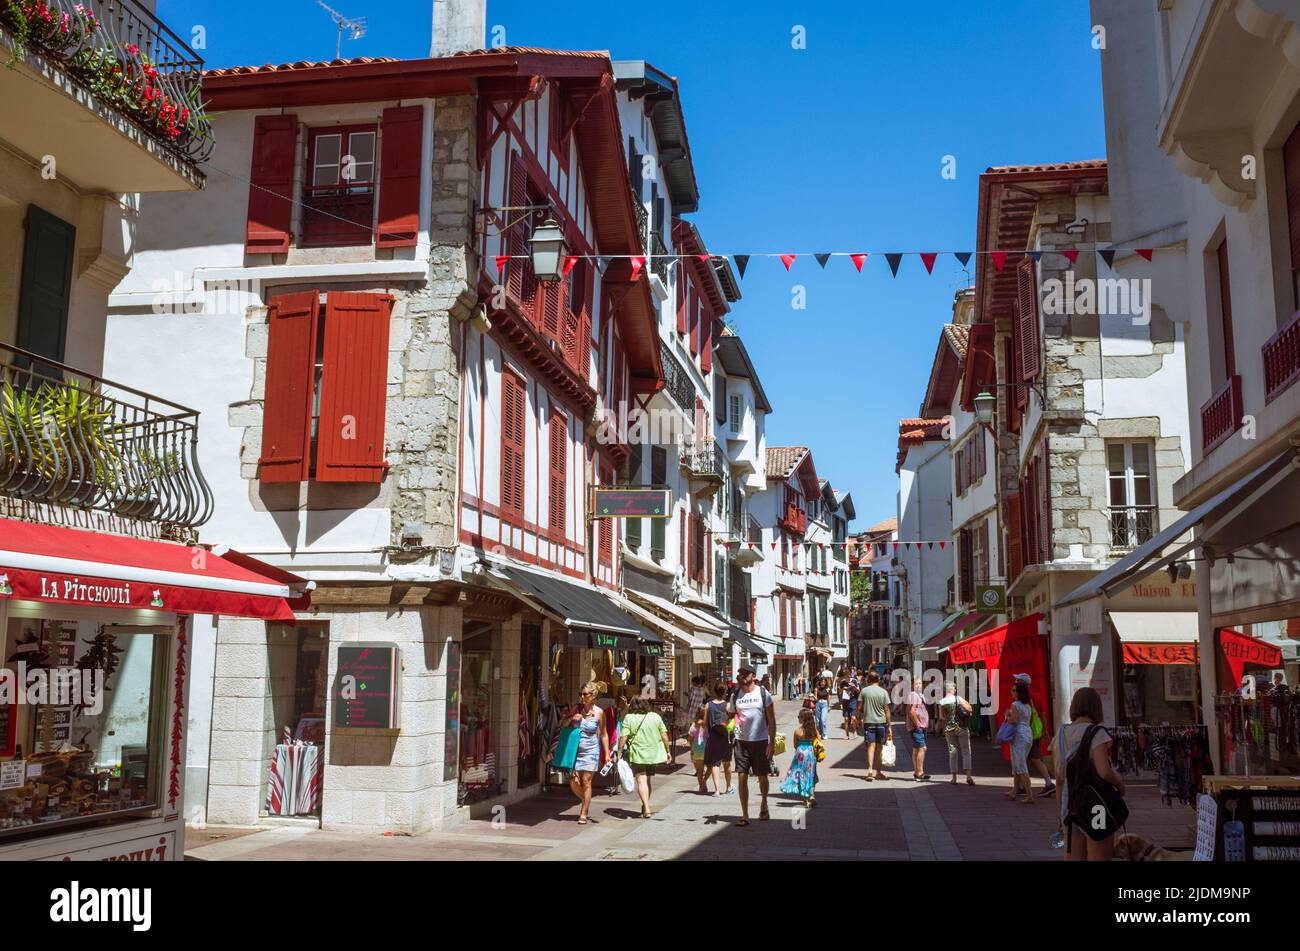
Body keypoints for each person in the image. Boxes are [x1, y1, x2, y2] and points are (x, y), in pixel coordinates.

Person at [1049, 686, 1126, 861]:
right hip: (1095, 806)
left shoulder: (1060, 734)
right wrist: (1120, 784)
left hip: (1070, 806)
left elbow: (1060, 779)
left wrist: (1060, 816)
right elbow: (1104, 772)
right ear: (1096, 708)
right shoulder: (1096, 733)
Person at [729, 667, 777, 826]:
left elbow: (771, 719)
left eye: (745, 674)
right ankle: (745, 814)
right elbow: (733, 717)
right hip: (741, 742)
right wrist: (734, 733)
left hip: (760, 741)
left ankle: (764, 802)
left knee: (762, 775)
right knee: (741, 776)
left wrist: (772, 742)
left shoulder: (763, 694)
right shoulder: (735, 695)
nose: (741, 677)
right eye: (740, 675)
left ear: (753, 676)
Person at [620, 697, 672, 819]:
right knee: (647, 781)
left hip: (638, 753)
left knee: (641, 781)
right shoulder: (655, 716)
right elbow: (664, 735)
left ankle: (646, 808)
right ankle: (645, 806)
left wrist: (619, 752)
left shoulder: (629, 718)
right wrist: (668, 751)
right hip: (652, 755)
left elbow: (623, 737)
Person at [568, 681, 610, 825]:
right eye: (580, 694)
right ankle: (585, 799)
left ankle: (584, 812)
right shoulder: (576, 709)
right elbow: (562, 725)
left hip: (591, 751)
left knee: (586, 781)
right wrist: (571, 719)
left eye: (585, 694)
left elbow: (604, 734)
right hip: (575, 751)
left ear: (593, 695)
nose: (582, 697)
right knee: (573, 782)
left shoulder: (599, 713)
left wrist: (607, 753)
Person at [1013, 673, 1055, 797]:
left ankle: (1027, 788)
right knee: (1032, 758)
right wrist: (1044, 729)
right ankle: (1021, 787)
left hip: (1026, 732)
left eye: (1017, 680)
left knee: (1026, 759)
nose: (1015, 682)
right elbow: (1042, 713)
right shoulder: (1036, 694)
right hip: (1034, 732)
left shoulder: (1025, 696)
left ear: (1022, 683)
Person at [781, 708, 820, 808]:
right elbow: (819, 742)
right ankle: (812, 796)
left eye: (799, 717)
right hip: (811, 754)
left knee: (802, 775)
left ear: (804, 719)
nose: (798, 718)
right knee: (811, 775)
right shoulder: (814, 730)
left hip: (800, 755)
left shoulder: (797, 731)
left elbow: (795, 745)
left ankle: (805, 799)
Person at [1004, 680, 1035, 804]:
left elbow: (1014, 720)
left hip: (1019, 735)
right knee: (1017, 765)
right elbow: (1030, 719)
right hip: (1027, 733)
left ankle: (1029, 795)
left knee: (1021, 766)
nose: (1012, 692)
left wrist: (1007, 715)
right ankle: (1014, 791)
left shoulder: (1015, 705)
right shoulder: (1028, 705)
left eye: (1014, 690)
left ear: (1019, 692)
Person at [938, 682, 975, 785]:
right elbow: (970, 709)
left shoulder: (941, 702)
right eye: (955, 688)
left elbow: (941, 717)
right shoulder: (958, 698)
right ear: (953, 689)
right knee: (966, 751)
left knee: (952, 752)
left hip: (949, 729)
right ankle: (968, 776)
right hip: (961, 727)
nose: (955, 690)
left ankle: (954, 778)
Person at [702, 681, 734, 796]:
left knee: (715, 764)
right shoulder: (727, 705)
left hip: (713, 737)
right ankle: (728, 787)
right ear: (725, 692)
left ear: (714, 692)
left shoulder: (708, 705)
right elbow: (731, 720)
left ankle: (717, 790)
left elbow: (705, 722)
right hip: (725, 738)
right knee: (727, 763)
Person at [859, 670, 890, 781]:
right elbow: (887, 709)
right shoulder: (883, 692)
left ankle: (870, 770)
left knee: (870, 747)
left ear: (869, 680)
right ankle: (879, 772)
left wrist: (858, 717)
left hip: (869, 722)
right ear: (878, 679)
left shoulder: (864, 691)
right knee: (879, 748)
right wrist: (889, 726)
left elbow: (860, 707)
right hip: (881, 723)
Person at [905, 677, 931, 781]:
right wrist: (918, 724)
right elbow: (911, 711)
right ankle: (920, 772)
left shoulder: (920, 695)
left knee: (916, 749)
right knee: (922, 748)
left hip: (921, 726)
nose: (918, 685)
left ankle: (916, 772)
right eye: (916, 684)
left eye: (920, 683)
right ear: (912, 685)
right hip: (917, 727)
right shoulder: (913, 695)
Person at [689, 703, 709, 792]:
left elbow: (690, 738)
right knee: (712, 767)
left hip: (697, 750)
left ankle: (701, 786)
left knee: (699, 770)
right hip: (708, 749)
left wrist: (691, 749)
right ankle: (704, 782)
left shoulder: (694, 725)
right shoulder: (708, 725)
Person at [839, 672, 860, 739]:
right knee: (846, 719)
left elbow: (859, 691)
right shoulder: (842, 682)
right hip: (845, 702)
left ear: (850, 676)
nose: (847, 678)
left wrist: (854, 687)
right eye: (845, 677)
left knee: (853, 718)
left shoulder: (854, 681)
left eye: (848, 676)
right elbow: (840, 692)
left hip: (853, 701)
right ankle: (847, 735)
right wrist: (843, 689)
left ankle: (854, 732)